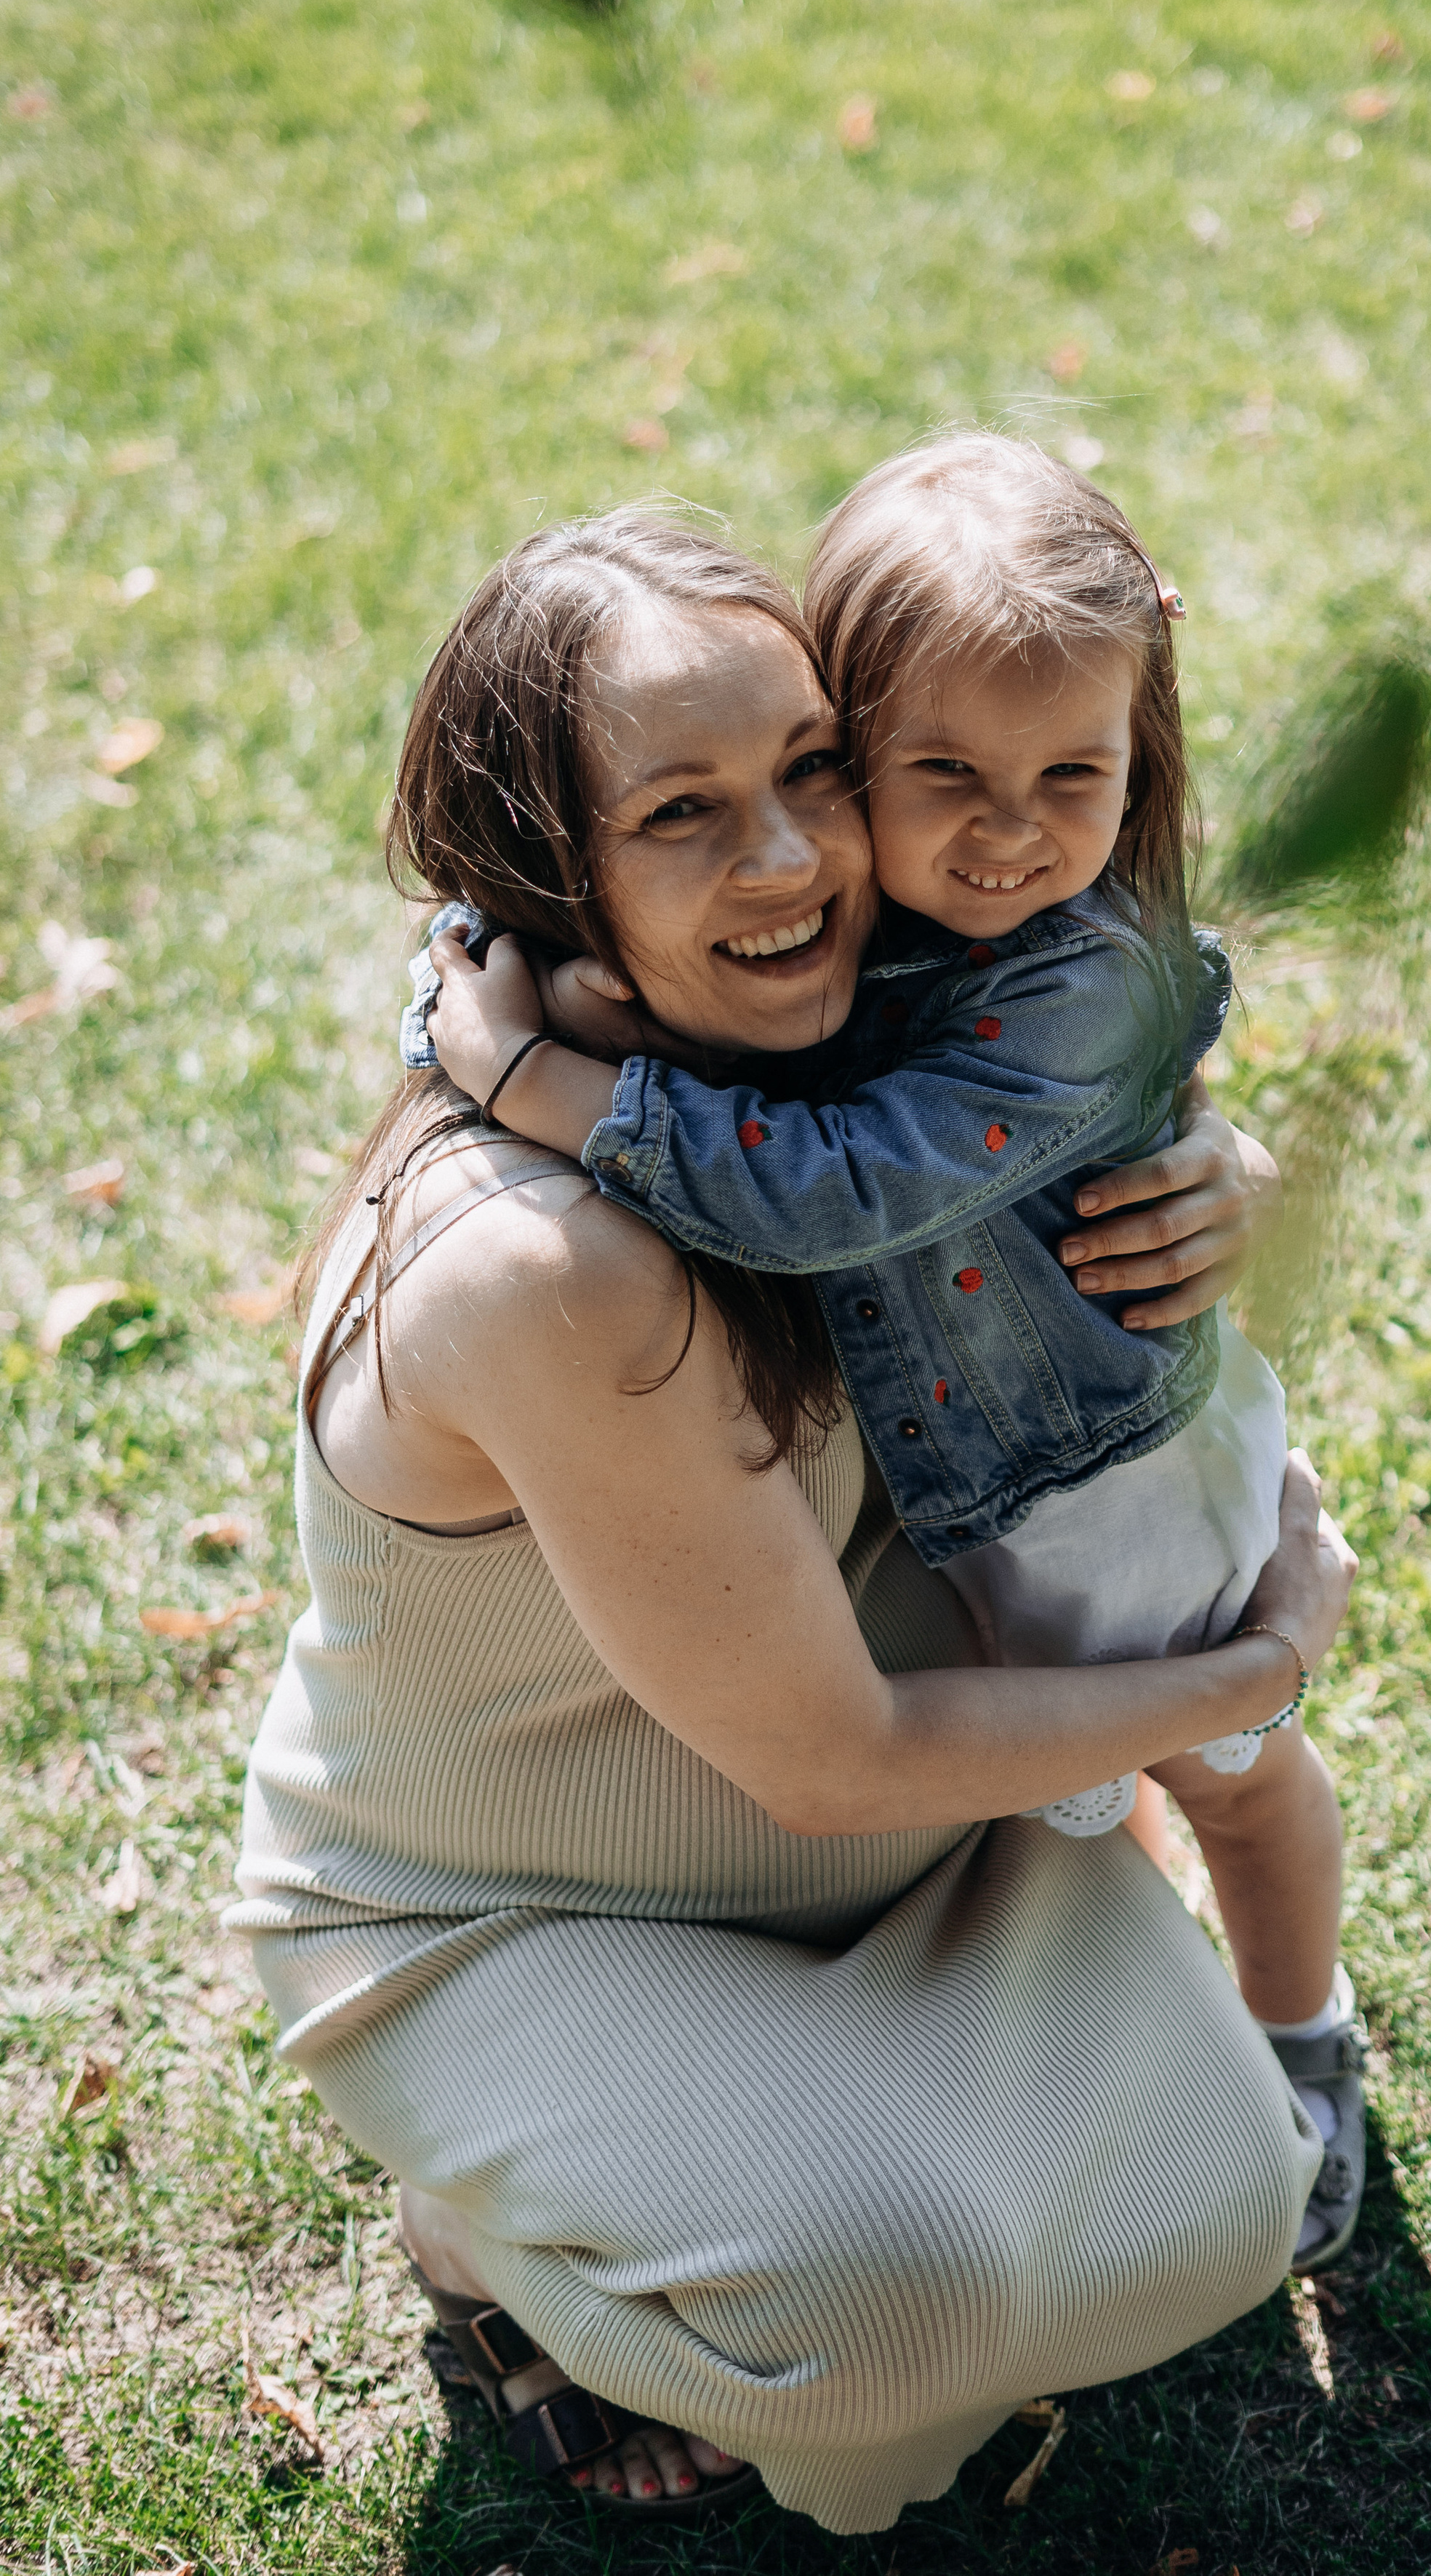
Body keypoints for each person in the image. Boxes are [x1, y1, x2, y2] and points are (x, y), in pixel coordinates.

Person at [228, 506, 1357, 2535]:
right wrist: (1259, 1668)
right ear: (544, 872)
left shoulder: (847, 1029)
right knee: (896, 2345)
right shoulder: (539, 1261)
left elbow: (1050, 1089)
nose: (792, 862)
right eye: (682, 812)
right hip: (537, 1915)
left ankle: (803, 2154)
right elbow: (833, 1757)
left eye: (814, 771)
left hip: (897, 1879)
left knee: (1215, 2218)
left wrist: (1205, 1162)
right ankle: (485, 2246)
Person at [425, 439, 1360, 2268]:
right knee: (1068, 1808)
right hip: (973, 1478)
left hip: (1100, 1477)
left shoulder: (1065, 973)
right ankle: (1128, 2020)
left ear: (1134, 755)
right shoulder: (869, 920)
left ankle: (1296, 2037)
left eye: (1068, 777)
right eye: (938, 774)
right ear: (851, 734)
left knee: (1227, 1763)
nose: (1006, 831)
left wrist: (532, 1079)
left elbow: (839, 1189)